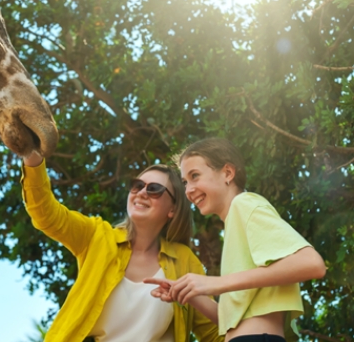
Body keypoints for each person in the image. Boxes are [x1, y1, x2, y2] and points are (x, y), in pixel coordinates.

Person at [20, 151, 224, 342]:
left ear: (172, 209)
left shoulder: (184, 260)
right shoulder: (97, 236)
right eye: (137, 185)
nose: (142, 192)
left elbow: (215, 333)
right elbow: (46, 214)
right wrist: (32, 157)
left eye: (154, 189)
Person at [145, 138, 326, 342]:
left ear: (228, 173)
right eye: (185, 182)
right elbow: (229, 322)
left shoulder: (244, 204)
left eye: (195, 176)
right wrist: (190, 292)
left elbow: (312, 264)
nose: (188, 190)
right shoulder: (234, 223)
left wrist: (217, 283)